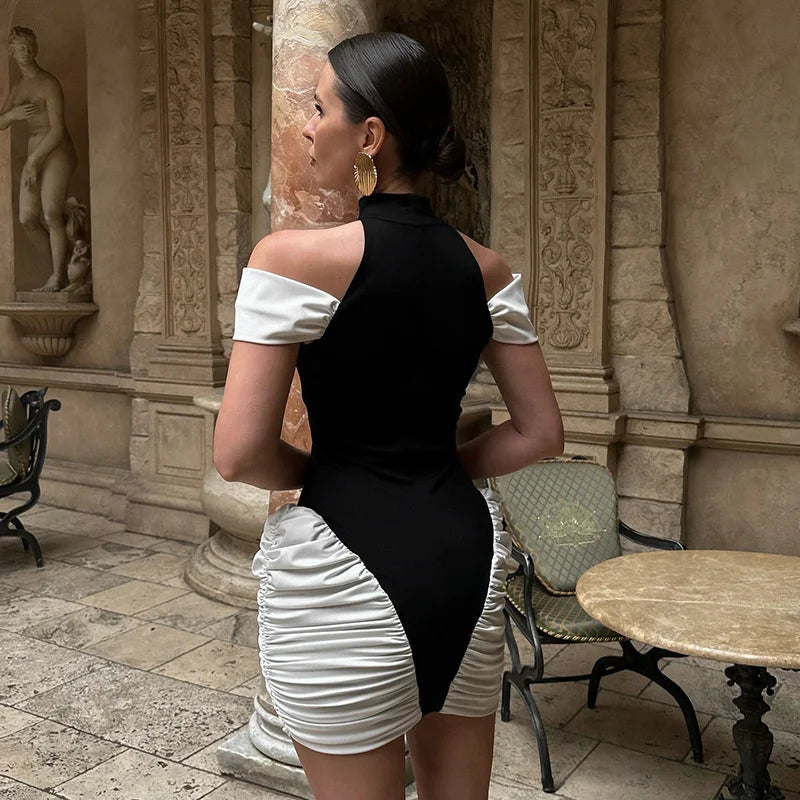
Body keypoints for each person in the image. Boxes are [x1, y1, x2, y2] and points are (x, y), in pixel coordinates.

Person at [214, 32, 563, 800]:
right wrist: (432, 469)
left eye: (319, 108)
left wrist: (332, 471)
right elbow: (540, 432)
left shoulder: (290, 261)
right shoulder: (488, 269)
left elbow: (238, 454)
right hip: (464, 559)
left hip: (345, 570)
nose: (307, 126)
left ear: (369, 136)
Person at [0, 26, 77, 292]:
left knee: (51, 212)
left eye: (31, 46)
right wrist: (12, 115)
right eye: (21, 47)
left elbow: (57, 130)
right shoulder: (18, 88)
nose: (27, 51)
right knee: (27, 218)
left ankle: (59, 277)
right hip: (35, 146)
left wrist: (33, 162)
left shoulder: (48, 83)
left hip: (56, 148)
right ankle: (65, 268)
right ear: (12, 52)